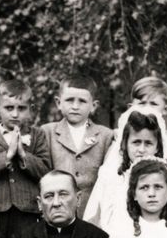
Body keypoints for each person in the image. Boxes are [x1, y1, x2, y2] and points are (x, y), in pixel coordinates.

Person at [0, 79, 51, 237]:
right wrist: (8, 155)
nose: (15, 114)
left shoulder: (37, 135)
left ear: (30, 110)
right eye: (9, 108)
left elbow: (45, 172)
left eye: (21, 108)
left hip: (28, 210)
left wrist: (23, 154)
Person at [41, 75, 113, 217]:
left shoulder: (105, 135)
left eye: (82, 101)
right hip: (57, 210)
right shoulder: (47, 132)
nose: (75, 106)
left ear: (93, 106)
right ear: (58, 103)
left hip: (92, 212)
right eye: (69, 100)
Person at [84, 109, 166, 232]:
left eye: (148, 143)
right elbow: (101, 216)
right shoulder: (113, 176)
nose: (141, 149)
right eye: (136, 142)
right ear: (125, 144)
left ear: (157, 147)